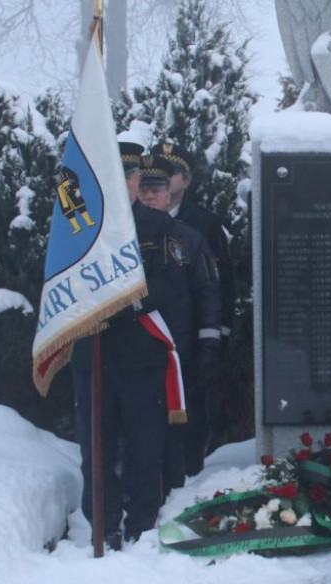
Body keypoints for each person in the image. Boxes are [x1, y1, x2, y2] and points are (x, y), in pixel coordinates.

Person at [70, 142, 193, 550]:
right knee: (96, 448)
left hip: (141, 356)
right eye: (112, 176)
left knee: (145, 446)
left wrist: (120, 305)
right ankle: (103, 524)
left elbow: (170, 283)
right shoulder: (80, 226)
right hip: (93, 357)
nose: (122, 184)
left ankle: (141, 524)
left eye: (128, 176)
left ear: (138, 179)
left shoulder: (158, 228)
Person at [137, 154, 222, 495]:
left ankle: (176, 489)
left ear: (169, 192)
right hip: (134, 352)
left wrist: (209, 342)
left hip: (179, 350)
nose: (150, 196)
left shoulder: (188, 236)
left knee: (179, 428)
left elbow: (209, 292)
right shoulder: (120, 235)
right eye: (143, 188)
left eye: (157, 188)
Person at [151, 141, 235, 474]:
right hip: (150, 337)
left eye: (170, 174)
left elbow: (221, 284)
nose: (162, 180)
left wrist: (218, 336)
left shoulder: (204, 224)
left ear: (185, 181)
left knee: (190, 409)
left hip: (190, 338)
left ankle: (189, 475)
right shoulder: (132, 221)